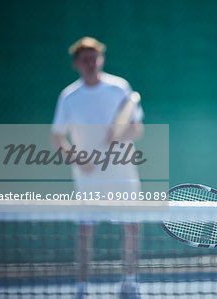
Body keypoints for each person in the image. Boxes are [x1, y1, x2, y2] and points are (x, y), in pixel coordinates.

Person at [51, 37, 145, 299]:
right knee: (85, 230)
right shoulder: (69, 97)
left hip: (122, 174)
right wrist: (78, 159)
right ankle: (81, 286)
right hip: (87, 177)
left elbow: (137, 128)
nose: (91, 63)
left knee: (132, 226)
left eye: (95, 58)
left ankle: (129, 281)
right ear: (76, 64)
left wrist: (116, 137)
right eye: (85, 59)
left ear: (101, 60)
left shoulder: (120, 88)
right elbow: (57, 137)